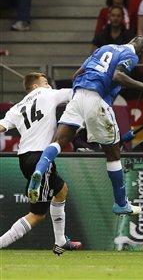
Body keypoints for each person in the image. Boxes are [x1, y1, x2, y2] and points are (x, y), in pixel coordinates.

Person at [29, 36, 143, 215]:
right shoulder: (131, 55)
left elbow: (77, 74)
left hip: (78, 94)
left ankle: (39, 170)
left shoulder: (106, 46)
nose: (139, 39)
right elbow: (118, 75)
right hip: (95, 97)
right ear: (142, 51)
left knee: (59, 141)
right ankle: (121, 203)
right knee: (113, 153)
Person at [0, 72, 82, 255]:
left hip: (24, 157)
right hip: (42, 157)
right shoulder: (49, 94)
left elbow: (2, 126)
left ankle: (60, 241)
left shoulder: (16, 108)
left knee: (61, 190)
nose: (49, 86)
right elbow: (77, 93)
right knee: (37, 214)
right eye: (46, 83)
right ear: (36, 86)